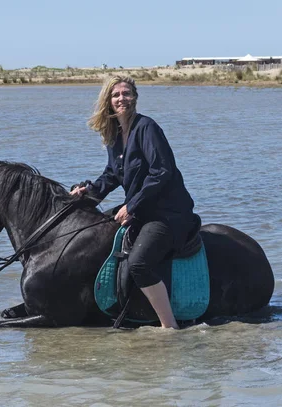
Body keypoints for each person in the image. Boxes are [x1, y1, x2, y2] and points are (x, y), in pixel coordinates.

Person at [71, 75, 195, 329]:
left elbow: (161, 172)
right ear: (108, 100)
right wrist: (87, 194)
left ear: (135, 98)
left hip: (167, 213)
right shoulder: (115, 135)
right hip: (142, 208)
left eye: (126, 93)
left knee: (139, 264)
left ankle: (169, 326)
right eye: (116, 95)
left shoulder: (147, 128)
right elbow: (112, 174)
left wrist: (132, 206)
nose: (122, 99)